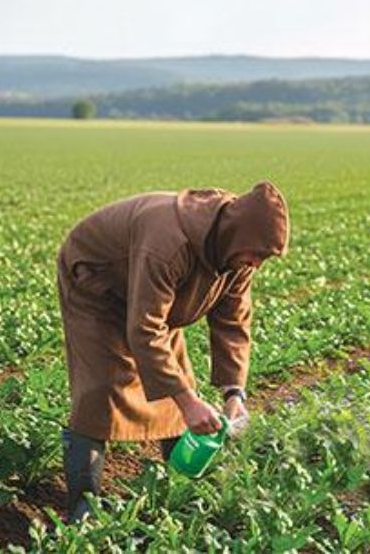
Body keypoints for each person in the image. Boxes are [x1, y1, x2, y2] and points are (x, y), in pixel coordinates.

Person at [55, 181, 290, 521]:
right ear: (236, 234)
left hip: (152, 297)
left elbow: (233, 323)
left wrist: (234, 392)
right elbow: (146, 329)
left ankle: (178, 490)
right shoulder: (168, 241)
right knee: (101, 389)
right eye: (256, 254)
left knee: (177, 389)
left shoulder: (236, 256)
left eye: (264, 258)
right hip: (97, 283)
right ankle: (82, 508)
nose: (256, 264)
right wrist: (188, 401)